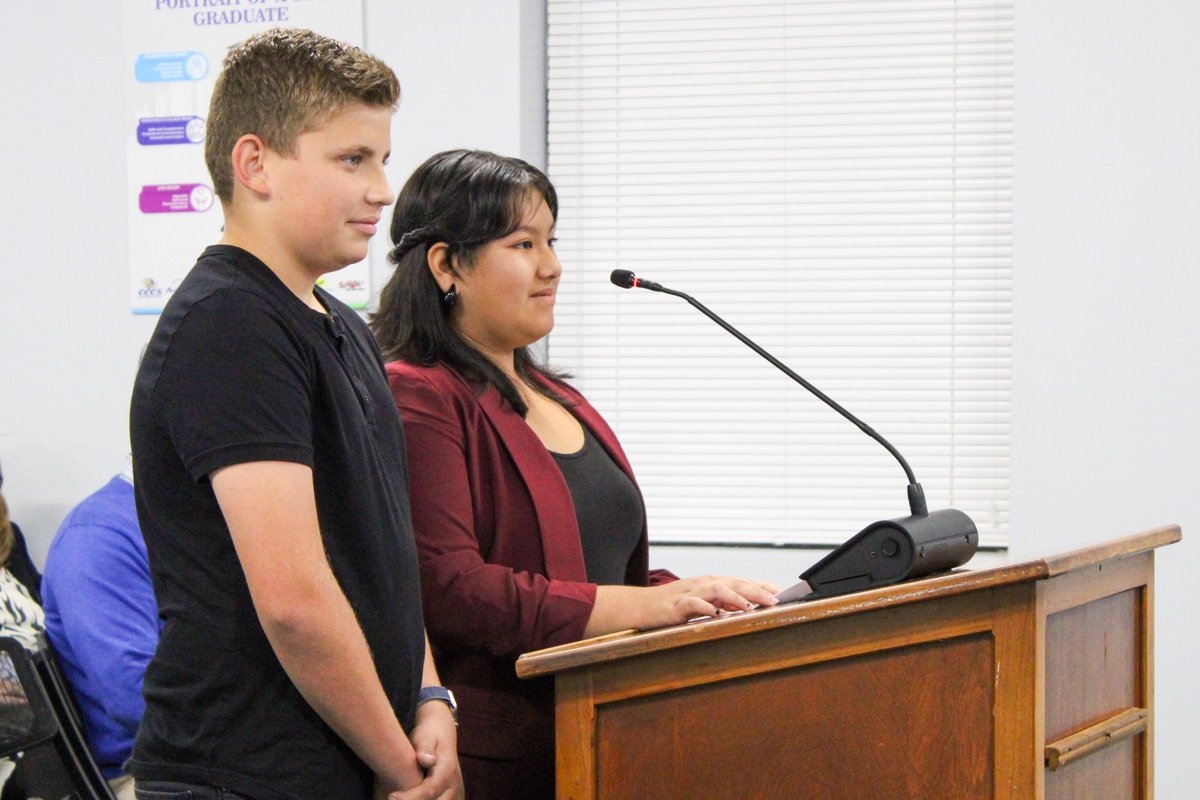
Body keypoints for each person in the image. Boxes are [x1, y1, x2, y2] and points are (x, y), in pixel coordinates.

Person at [372, 149, 780, 799]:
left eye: (551, 241)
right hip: (501, 757)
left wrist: (700, 598)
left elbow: (591, 574)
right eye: (522, 243)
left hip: (601, 731)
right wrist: (647, 606)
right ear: (447, 264)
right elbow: (450, 586)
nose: (552, 266)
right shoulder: (420, 394)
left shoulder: (552, 393)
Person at [128, 30, 461, 800]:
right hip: (243, 774)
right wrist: (399, 763)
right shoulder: (231, 325)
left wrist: (429, 698)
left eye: (381, 157)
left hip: (347, 757)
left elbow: (380, 554)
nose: (383, 189)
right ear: (255, 165)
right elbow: (294, 602)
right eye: (353, 160)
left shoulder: (338, 323)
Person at [42, 458, 156, 800]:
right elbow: (136, 699)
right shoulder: (99, 537)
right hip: (142, 771)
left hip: (200, 754)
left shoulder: (175, 520)